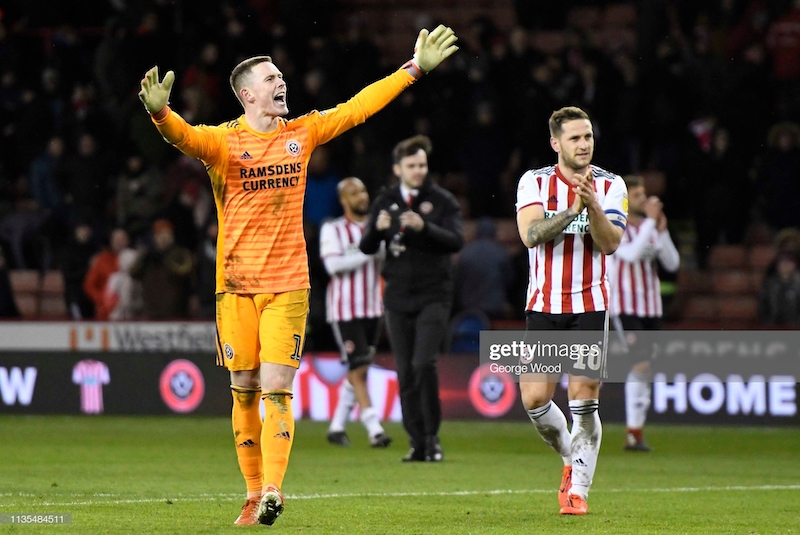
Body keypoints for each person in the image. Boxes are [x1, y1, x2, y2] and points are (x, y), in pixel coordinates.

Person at [137, 25, 458, 526]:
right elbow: (186, 137)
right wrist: (161, 113)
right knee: (242, 385)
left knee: (277, 389)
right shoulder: (224, 144)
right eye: (270, 78)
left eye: (281, 74)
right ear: (247, 94)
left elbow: (358, 107)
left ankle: (272, 489)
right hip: (235, 287)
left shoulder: (301, 134)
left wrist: (412, 69)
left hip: (288, 284)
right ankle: (250, 491)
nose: (281, 81)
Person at [515, 106, 627, 515]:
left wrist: (593, 207)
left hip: (589, 306)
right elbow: (530, 235)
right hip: (544, 305)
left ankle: (578, 489)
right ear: (555, 143)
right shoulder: (535, 182)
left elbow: (610, 243)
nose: (584, 144)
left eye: (588, 137)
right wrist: (570, 212)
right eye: (576, 138)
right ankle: (569, 457)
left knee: (584, 398)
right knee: (534, 399)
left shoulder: (612, 185)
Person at [360, 134, 464, 463]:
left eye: (422, 165)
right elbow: (365, 246)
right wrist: (376, 229)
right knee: (404, 372)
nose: (419, 171)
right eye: (412, 166)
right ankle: (416, 441)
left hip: (435, 294)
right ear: (398, 168)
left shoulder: (442, 200)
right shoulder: (386, 199)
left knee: (424, 363)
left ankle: (432, 438)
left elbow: (457, 240)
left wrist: (425, 226)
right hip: (397, 296)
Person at [607, 175, 679, 452]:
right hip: (625, 306)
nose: (644, 200)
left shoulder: (648, 229)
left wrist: (662, 230)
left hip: (651, 306)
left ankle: (634, 433)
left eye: (643, 195)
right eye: (637, 196)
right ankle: (632, 432)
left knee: (645, 369)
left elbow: (672, 262)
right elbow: (631, 255)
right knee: (641, 365)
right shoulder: (616, 227)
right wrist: (651, 222)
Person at [321, 177, 391, 448]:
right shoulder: (333, 229)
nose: (361, 196)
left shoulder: (377, 226)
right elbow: (333, 266)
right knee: (360, 366)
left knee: (358, 369)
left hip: (373, 307)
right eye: (353, 193)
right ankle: (374, 428)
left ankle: (337, 426)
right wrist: (369, 251)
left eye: (363, 190)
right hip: (345, 310)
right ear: (343, 201)